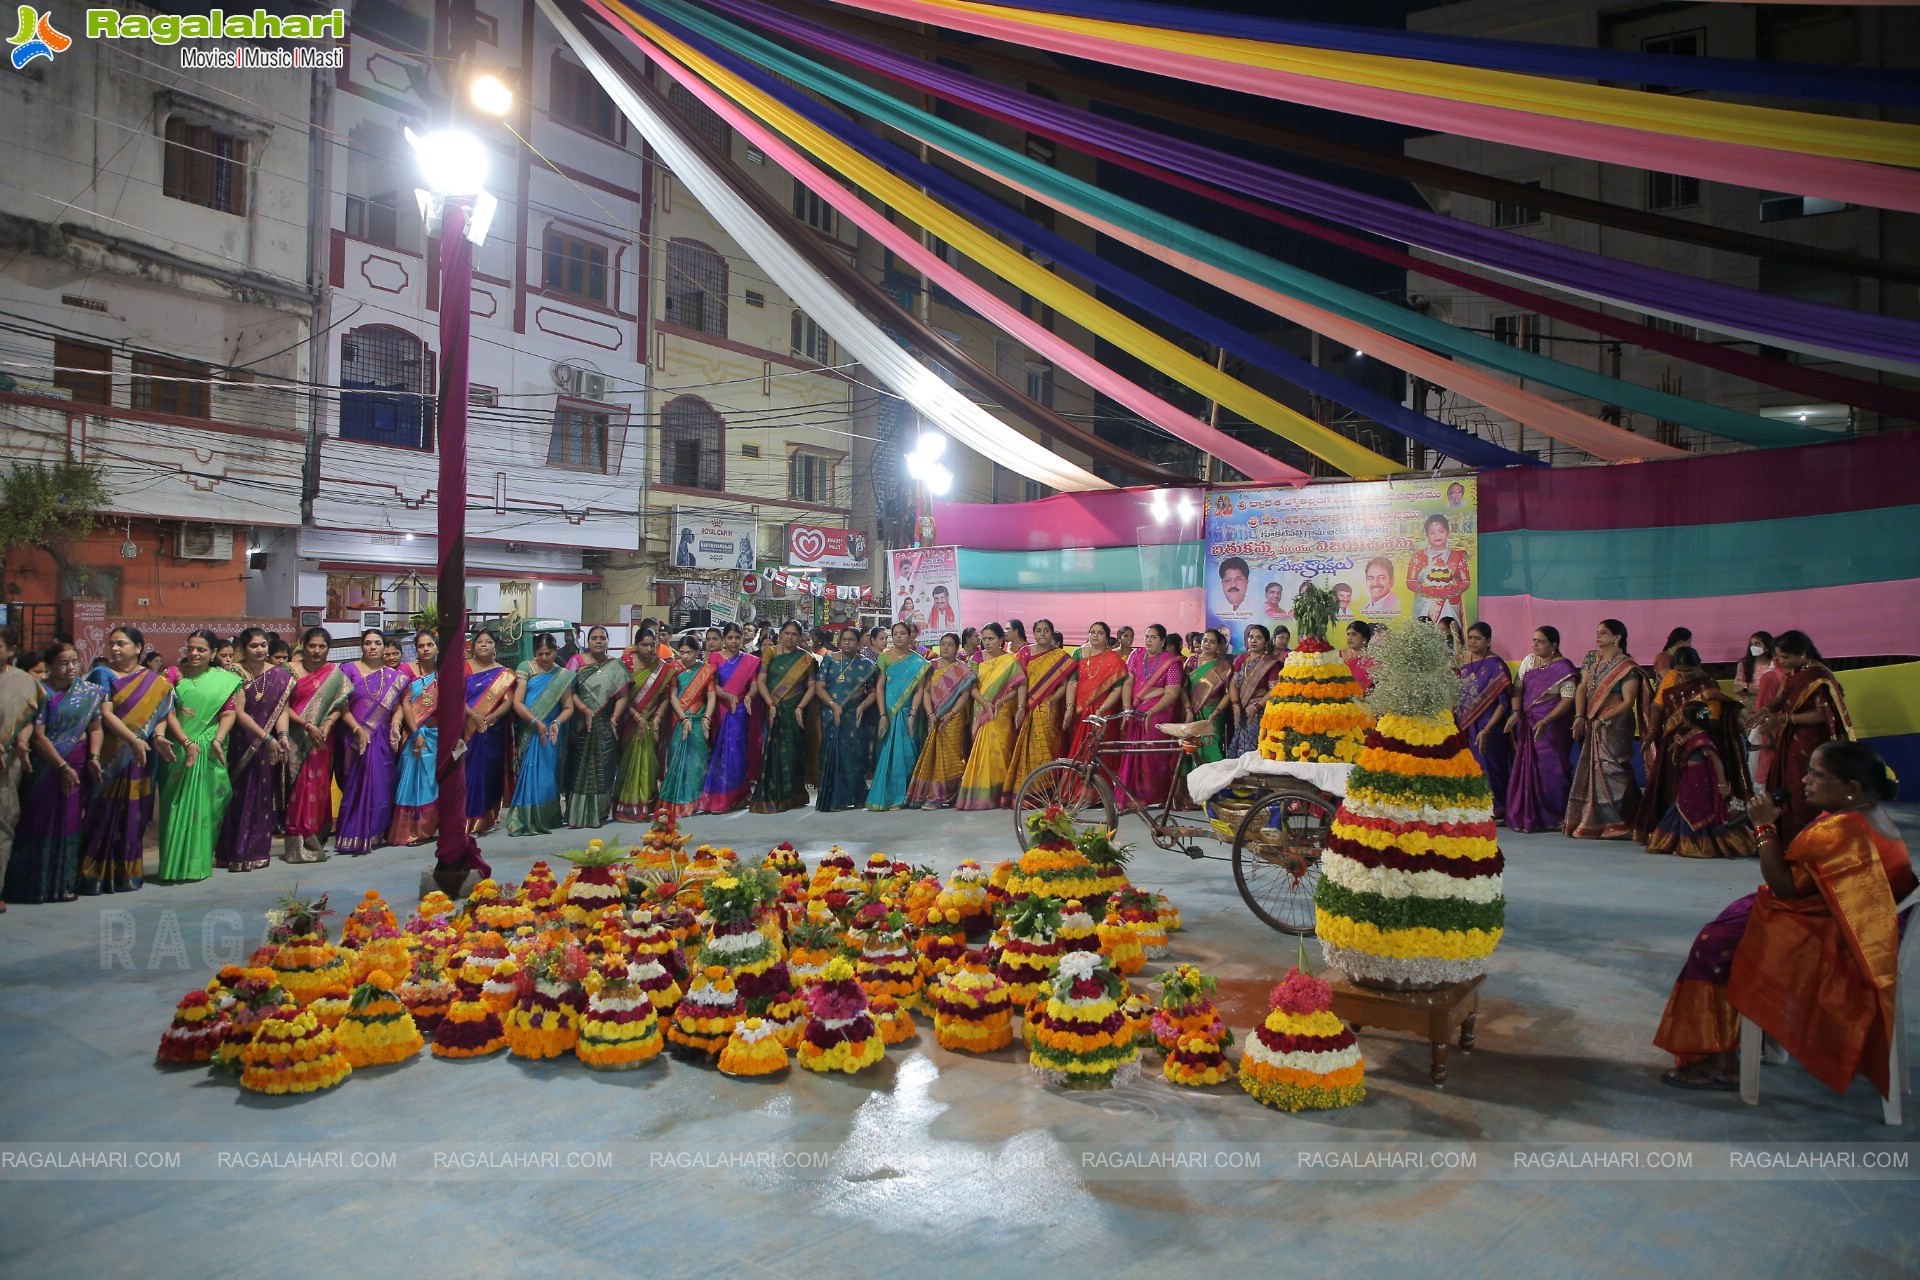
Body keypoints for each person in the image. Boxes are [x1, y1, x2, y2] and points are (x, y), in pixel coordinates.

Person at [1654, 742, 1911, 1093]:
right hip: (1858, 925)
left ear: (1851, 788)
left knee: (1714, 946)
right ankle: (1749, 1035)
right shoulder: (1869, 815)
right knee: (1731, 924)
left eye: (1817, 775)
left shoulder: (1842, 829)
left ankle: (1722, 1062)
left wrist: (1763, 828)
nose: (1805, 781)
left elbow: (1785, 885)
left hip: (1844, 943)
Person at [77, 625, 173, 895]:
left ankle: (127, 875)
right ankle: (93, 876)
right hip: (110, 755)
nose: (115, 649)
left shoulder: (156, 682)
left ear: (139, 647)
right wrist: (132, 740)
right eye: (112, 644)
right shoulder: (102, 674)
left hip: (140, 759)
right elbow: (104, 713)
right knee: (101, 814)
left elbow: (162, 714)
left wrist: (159, 737)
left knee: (134, 816)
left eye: (122, 643)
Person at [6, 642, 102, 904]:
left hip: (79, 764)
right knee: (38, 822)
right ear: (48, 666)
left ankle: (64, 884)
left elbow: (96, 728)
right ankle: (34, 886)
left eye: (74, 662)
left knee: (71, 824)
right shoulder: (40, 691)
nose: (71, 667)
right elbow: (37, 735)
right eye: (63, 662)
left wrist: (94, 756)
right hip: (46, 766)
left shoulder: (90, 693)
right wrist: (62, 767)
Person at [1635, 645, 1747, 846]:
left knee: (1691, 791)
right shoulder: (1670, 678)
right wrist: (1652, 732)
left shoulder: (1708, 686)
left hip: (1697, 743)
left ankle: (1692, 837)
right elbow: (1658, 705)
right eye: (1680, 671)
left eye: (1689, 671)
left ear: (1699, 666)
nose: (1684, 675)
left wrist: (1691, 734)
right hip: (1671, 741)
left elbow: (1711, 719)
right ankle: (1668, 833)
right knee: (1667, 786)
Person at [153, 629, 241, 884]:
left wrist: (218, 739)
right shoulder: (173, 675)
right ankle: (171, 867)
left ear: (213, 653)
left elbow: (228, 713)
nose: (194, 653)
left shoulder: (224, 680)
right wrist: (185, 741)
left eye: (201, 650)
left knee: (207, 807)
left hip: (209, 748)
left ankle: (198, 865)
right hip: (178, 748)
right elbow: (164, 709)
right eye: (190, 648)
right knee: (174, 807)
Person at [1760, 630, 1853, 847]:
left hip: (1809, 741)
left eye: (1786, 658)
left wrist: (1785, 718)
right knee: (1787, 788)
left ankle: (1811, 841)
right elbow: (1780, 698)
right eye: (1779, 658)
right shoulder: (1793, 672)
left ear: (1802, 653)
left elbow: (1822, 714)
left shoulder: (1817, 676)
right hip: (1790, 737)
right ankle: (1786, 839)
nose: (1781, 662)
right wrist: (1765, 710)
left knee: (1803, 791)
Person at [1564, 619, 1646, 840]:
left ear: (1617, 637)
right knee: (1592, 768)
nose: (1597, 636)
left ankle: (1623, 820)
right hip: (1592, 718)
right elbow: (1582, 687)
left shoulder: (1627, 666)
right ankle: (1594, 820)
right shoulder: (1591, 658)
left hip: (1615, 722)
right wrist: (1580, 715)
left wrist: (1602, 718)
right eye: (1597, 632)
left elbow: (1628, 701)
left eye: (1603, 633)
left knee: (1612, 768)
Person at [216, 627, 290, 873]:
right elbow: (238, 712)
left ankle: (256, 852)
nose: (260, 650)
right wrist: (265, 737)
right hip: (241, 743)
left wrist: (283, 736)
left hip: (266, 745)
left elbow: (281, 710)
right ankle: (231, 853)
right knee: (237, 796)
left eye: (263, 645)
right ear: (243, 649)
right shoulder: (234, 673)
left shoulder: (280, 675)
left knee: (261, 795)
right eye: (254, 646)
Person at [1644, 702, 1757, 860]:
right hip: (1693, 778)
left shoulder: (1702, 739)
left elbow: (1715, 760)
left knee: (1693, 808)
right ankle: (1671, 842)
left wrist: (1723, 784)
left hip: (1701, 780)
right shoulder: (1695, 735)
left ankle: (1698, 845)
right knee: (1683, 806)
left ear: (1687, 720)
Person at [333, 627, 405, 855]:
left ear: (384, 648)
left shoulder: (394, 677)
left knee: (381, 784)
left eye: (377, 643)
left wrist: (395, 725)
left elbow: (399, 707)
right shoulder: (348, 670)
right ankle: (351, 832)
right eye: (368, 643)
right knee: (353, 785)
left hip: (382, 737)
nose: (372, 647)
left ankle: (375, 832)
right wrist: (357, 729)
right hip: (352, 737)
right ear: (361, 646)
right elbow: (341, 707)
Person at [282, 627, 347, 863]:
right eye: (312, 646)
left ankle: (315, 839)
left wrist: (328, 723)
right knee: (299, 787)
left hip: (322, 739)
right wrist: (307, 725)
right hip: (296, 737)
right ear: (303, 647)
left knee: (318, 786)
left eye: (322, 647)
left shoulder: (335, 675)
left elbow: (341, 705)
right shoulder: (289, 671)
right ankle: (297, 843)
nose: (317, 651)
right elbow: (282, 706)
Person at [1505, 626, 1578, 834]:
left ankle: (1556, 814)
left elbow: (1568, 699)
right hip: (1528, 722)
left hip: (1553, 727)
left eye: (1541, 641)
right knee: (1526, 767)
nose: (1536, 644)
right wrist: (1516, 711)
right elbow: (1517, 688)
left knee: (1552, 768)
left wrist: (1547, 719)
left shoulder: (1564, 668)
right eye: (1534, 640)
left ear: (1554, 646)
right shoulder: (1529, 661)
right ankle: (1527, 813)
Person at [504, 632, 575, 836]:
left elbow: (568, 707)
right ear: (534, 653)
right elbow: (517, 702)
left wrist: (555, 723)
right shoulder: (525, 668)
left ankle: (548, 817)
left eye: (549, 653)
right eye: (540, 653)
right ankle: (524, 818)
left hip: (552, 733)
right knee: (530, 772)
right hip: (530, 728)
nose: (544, 658)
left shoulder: (562, 675)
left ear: (555, 651)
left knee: (548, 776)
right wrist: (535, 722)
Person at [0, 630, 50, 910]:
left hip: (7, 763)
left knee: (3, 825)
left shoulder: (23, 683)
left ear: (10, 650)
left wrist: (20, 740)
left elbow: (31, 716)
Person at [564, 625, 629, 830]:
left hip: (605, 722)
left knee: (604, 766)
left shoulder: (615, 665)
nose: (598, 641)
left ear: (608, 641)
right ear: (588, 641)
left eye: (602, 638)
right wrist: (584, 709)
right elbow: (567, 689)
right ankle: (576, 813)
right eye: (594, 638)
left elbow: (623, 695)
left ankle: (599, 812)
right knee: (578, 766)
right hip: (581, 722)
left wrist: (615, 716)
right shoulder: (577, 662)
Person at [956, 623, 1026, 811]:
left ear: (1001, 640)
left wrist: (1003, 700)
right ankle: (981, 793)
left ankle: (999, 793)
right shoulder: (976, 658)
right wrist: (985, 703)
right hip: (981, 710)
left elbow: (1019, 686)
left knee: (999, 750)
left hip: (1001, 712)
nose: (986, 643)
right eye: (984, 639)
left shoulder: (1010, 661)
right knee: (981, 749)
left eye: (991, 639)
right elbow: (971, 687)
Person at [750, 621, 818, 814]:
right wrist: (770, 704)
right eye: (786, 633)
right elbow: (761, 681)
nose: (790, 637)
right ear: (780, 635)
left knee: (793, 752)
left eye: (794, 634)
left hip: (795, 710)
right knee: (773, 751)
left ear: (800, 637)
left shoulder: (806, 658)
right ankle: (773, 794)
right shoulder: (770, 652)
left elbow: (812, 686)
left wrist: (800, 706)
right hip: (773, 707)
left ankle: (793, 795)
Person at [1117, 625, 1187, 809]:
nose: (1148, 640)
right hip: (1135, 712)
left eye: (1153, 637)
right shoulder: (1136, 656)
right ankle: (1132, 795)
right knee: (1133, 752)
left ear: (1163, 641)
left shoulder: (1171, 662)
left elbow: (1172, 693)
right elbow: (1128, 682)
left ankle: (1153, 796)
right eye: (1146, 636)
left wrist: (1151, 711)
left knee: (1152, 755)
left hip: (1158, 715)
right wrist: (1126, 708)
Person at [698, 625, 763, 814]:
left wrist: (750, 696)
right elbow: (712, 685)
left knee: (738, 755)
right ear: (724, 639)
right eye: (730, 638)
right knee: (721, 754)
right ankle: (720, 798)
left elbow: (753, 684)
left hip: (741, 710)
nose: (734, 641)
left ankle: (737, 796)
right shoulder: (715, 658)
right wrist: (727, 696)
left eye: (737, 637)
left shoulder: (750, 661)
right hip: (722, 709)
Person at [1006, 618, 1076, 792]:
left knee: (1048, 745)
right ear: (1034, 633)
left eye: (1046, 630)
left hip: (1050, 707)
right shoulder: (1025, 653)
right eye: (1039, 630)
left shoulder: (1060, 656)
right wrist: (1021, 707)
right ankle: (1030, 790)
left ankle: (1047, 788)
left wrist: (1052, 700)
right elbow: (1021, 682)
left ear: (1052, 633)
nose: (1043, 633)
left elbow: (1064, 684)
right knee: (1028, 747)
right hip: (1028, 704)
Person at [460, 628, 518, 836]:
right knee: (466, 775)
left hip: (492, 731)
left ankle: (485, 819)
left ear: (495, 647)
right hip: (468, 728)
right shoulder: (464, 667)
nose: (483, 645)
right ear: (473, 647)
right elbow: (457, 697)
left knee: (487, 775)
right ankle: (465, 819)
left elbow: (508, 701)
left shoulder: (504, 673)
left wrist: (494, 716)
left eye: (488, 642)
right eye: (479, 642)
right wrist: (474, 716)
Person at [906, 633, 973, 809]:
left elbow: (964, 696)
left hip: (954, 717)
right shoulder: (931, 666)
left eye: (950, 644)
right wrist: (930, 714)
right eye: (943, 644)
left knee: (950, 756)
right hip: (933, 716)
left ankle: (950, 792)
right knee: (934, 755)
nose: (945, 648)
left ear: (957, 647)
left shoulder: (963, 669)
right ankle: (934, 796)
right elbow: (926, 692)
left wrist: (950, 714)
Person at [866, 623, 929, 811]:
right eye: (895, 634)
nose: (899, 636)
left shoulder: (919, 662)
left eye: (903, 633)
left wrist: (912, 713)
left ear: (910, 636)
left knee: (908, 755)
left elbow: (919, 690)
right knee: (889, 755)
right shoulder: (885, 658)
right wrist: (882, 713)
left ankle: (906, 797)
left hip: (908, 713)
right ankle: (889, 796)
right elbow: (879, 687)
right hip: (890, 712)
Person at [815, 626, 878, 812]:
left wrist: (863, 706)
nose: (848, 642)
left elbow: (873, 691)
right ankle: (836, 799)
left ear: (859, 643)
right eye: (845, 639)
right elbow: (820, 686)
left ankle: (858, 796)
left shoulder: (866, 665)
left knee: (854, 756)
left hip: (855, 716)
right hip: (831, 715)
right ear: (839, 641)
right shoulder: (829, 659)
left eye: (852, 639)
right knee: (833, 756)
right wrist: (833, 705)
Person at [613, 632, 674, 822]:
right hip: (629, 721)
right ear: (636, 645)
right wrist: (636, 716)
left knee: (649, 763)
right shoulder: (625, 663)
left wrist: (656, 717)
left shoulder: (663, 668)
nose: (648, 649)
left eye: (651, 645)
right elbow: (621, 695)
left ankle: (644, 806)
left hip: (650, 723)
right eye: (644, 645)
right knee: (627, 763)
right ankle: (626, 806)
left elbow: (665, 697)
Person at [386, 630, 440, 847]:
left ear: (436, 647)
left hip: (438, 734)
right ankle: (412, 831)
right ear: (415, 649)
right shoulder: (406, 670)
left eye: (429, 645)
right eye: (421, 646)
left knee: (433, 782)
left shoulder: (442, 672)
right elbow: (405, 702)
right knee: (413, 781)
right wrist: (415, 732)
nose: (426, 649)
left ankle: (429, 828)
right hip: (415, 732)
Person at [1456, 622, 1513, 824]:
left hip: (1491, 727)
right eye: (1470, 637)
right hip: (1467, 726)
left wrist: (1487, 729)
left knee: (1492, 766)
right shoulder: (1464, 664)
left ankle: (1498, 807)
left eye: (1477, 638)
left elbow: (1504, 704)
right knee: (1472, 767)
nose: (1472, 641)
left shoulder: (1495, 665)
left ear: (1488, 641)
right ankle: (1477, 805)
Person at [659, 636, 716, 820]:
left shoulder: (706, 670)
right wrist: (683, 718)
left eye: (689, 652)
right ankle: (677, 802)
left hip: (699, 720)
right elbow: (673, 696)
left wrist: (707, 716)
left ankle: (695, 801)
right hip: (678, 719)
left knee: (697, 763)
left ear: (697, 652)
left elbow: (712, 696)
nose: (684, 656)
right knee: (677, 760)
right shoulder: (673, 669)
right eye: (682, 652)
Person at [1065, 621, 1130, 760]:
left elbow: (1117, 689)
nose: (1095, 635)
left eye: (1100, 633)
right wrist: (1069, 708)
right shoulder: (1078, 653)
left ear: (1107, 639)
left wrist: (1101, 709)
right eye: (1092, 632)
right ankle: (1077, 781)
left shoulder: (1114, 659)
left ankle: (1098, 781)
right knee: (1078, 751)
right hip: (1079, 711)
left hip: (1103, 713)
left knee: (1099, 754)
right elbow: (1072, 682)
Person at [1225, 624, 1281, 758]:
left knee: (1255, 749)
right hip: (1240, 709)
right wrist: (1235, 703)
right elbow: (1233, 683)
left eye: (1259, 638)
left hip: (1260, 711)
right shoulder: (1240, 659)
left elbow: (1274, 690)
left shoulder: (1272, 663)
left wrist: (1257, 706)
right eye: (1251, 637)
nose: (1253, 640)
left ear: (1266, 642)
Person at [1734, 630, 1781, 788]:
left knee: (1761, 744)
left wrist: (1746, 688)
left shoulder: (1774, 665)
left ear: (1767, 646)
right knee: (1744, 744)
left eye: (1758, 644)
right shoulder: (1745, 664)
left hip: (1765, 708)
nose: (1754, 647)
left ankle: (1759, 782)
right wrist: (1757, 689)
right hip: (1745, 707)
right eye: (1752, 643)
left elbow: (1768, 689)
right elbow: (1736, 687)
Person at [1405, 513, 1470, 622]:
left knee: (1449, 636)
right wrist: (1428, 590)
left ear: (1448, 533)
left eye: (1441, 531)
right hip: (1423, 605)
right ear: (1426, 535)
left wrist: (1451, 591)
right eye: (1432, 532)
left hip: (1450, 605)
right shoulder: (1419, 556)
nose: (1437, 536)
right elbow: (1410, 581)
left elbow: (1466, 582)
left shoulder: (1458, 556)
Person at [1185, 628, 1232, 767]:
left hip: (1212, 715)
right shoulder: (1191, 662)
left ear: (1218, 646)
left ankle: (1213, 786)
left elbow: (1228, 694)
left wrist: (1215, 713)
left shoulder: (1223, 667)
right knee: (1191, 750)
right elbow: (1182, 689)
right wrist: (1187, 708)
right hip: (1191, 714)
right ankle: (1194, 786)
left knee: (1212, 750)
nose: (1207, 644)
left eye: (1212, 642)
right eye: (1205, 640)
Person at [1343, 621, 1377, 694]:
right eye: (1348, 634)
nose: (1349, 638)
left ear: (1364, 638)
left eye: (1354, 634)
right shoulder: (1337, 656)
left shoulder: (1373, 661)